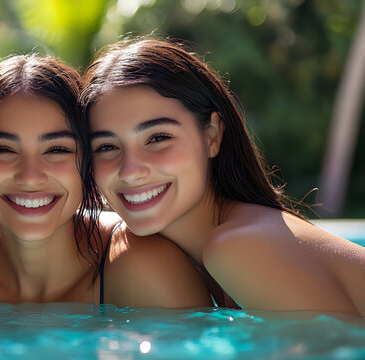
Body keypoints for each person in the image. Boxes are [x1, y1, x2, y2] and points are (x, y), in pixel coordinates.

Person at [0, 54, 210, 308]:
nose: (30, 176)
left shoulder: (143, 268)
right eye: (3, 149)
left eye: (57, 149)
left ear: (87, 163)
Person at [80, 37, 365, 316]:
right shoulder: (205, 253)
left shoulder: (238, 247)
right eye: (106, 146)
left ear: (212, 135)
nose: (131, 170)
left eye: (157, 138)